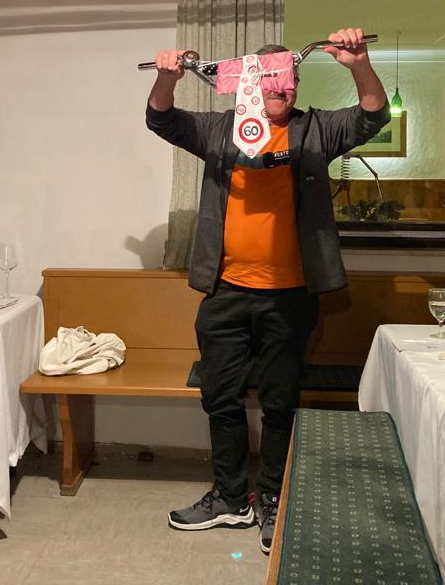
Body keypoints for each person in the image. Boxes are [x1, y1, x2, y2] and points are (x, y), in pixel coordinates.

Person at [146, 28, 389, 554]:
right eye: (271, 78)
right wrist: (167, 78)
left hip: (291, 295)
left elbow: (373, 115)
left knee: (280, 402)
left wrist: (359, 66)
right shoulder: (219, 130)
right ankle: (231, 498)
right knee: (220, 398)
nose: (283, 87)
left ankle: (274, 497)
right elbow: (161, 118)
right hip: (225, 292)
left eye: (290, 78)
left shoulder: (315, 130)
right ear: (247, 83)